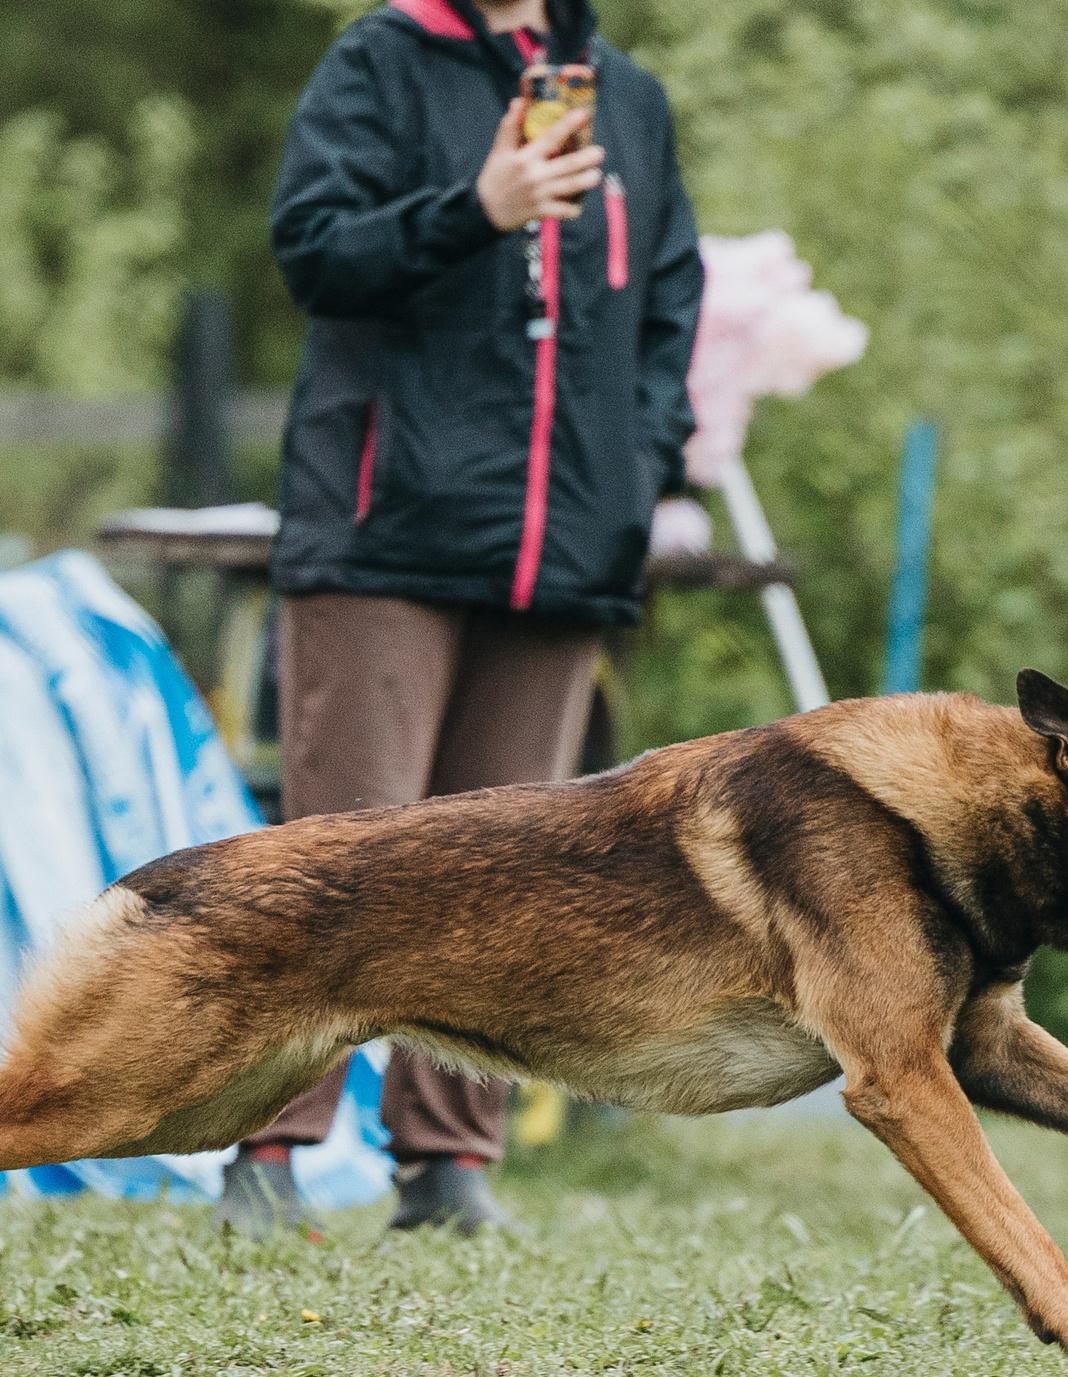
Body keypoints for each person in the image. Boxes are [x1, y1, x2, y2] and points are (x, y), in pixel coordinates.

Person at [214, 0, 704, 1237]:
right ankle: (266, 1152)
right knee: (341, 853)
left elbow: (665, 309)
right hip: (389, 526)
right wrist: (475, 209)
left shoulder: (626, 96)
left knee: (518, 881)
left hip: (567, 548)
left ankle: (449, 1168)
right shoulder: (379, 62)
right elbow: (314, 253)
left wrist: (634, 474)